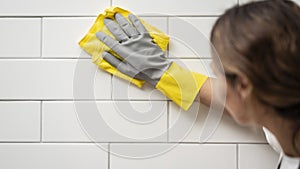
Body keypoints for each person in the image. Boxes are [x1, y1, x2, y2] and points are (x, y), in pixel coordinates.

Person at [95, 0, 300, 168]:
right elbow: (246, 101)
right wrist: (163, 71)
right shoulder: (283, 126)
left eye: (219, 73)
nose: (217, 83)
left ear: (244, 86)